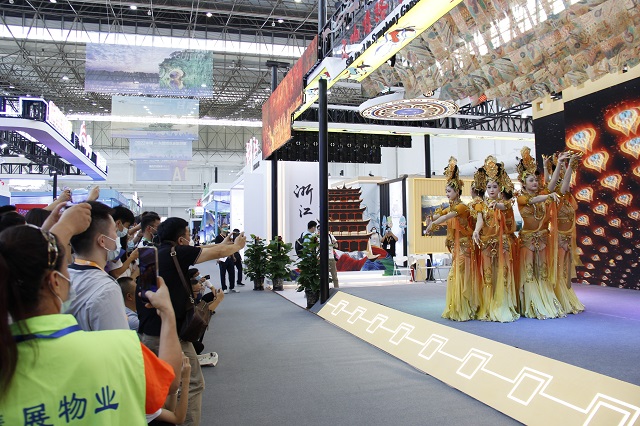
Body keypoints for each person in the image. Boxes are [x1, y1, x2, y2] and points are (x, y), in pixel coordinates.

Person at [0, 204, 183, 425]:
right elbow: (169, 382)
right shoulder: (117, 347)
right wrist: (167, 312)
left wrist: (64, 227)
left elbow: (23, 264)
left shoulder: (9, 357)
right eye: (65, 269)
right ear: (55, 282)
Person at [137, 217, 246, 426]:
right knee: (193, 383)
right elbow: (214, 252)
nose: (189, 239)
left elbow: (203, 248)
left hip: (148, 332)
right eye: (187, 234)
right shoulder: (177, 252)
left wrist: (225, 244)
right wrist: (236, 246)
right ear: (180, 240)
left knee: (160, 388)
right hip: (170, 335)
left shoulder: (149, 254)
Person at [515, 147, 566, 319]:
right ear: (524, 183)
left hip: (543, 238)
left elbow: (552, 184)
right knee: (529, 271)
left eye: (536, 180)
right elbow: (533, 200)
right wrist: (548, 197)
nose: (535, 182)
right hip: (527, 240)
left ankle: (546, 301)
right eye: (531, 180)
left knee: (542, 271)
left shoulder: (543, 193)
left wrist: (559, 164)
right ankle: (531, 304)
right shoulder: (521, 198)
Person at [425, 157, 476, 321]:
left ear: (457, 192)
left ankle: (463, 308)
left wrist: (433, 224)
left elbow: (446, 216)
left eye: (449, 192)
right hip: (456, 247)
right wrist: (430, 220)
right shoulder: (451, 206)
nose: (447, 194)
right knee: (455, 275)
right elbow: (440, 214)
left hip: (465, 247)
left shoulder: (461, 207)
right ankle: (457, 307)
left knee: (458, 275)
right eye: (446, 191)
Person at [67, 201, 130, 331]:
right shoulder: (107, 289)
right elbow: (117, 340)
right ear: (102, 241)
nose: (116, 236)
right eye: (114, 231)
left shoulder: (63, 277)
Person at [471, 156, 520, 322]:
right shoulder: (481, 204)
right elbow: (480, 219)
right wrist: (476, 231)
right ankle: (488, 306)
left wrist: (497, 205)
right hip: (486, 243)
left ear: (500, 187)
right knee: (488, 276)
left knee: (502, 274)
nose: (491, 190)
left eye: (495, 186)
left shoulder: (506, 203)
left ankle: (502, 305)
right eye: (489, 187)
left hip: (502, 244)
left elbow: (503, 207)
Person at [547, 152, 586, 314]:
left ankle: (565, 296)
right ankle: (559, 297)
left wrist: (566, 165)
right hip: (558, 239)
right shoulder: (557, 197)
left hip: (567, 238)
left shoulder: (568, 199)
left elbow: (566, 185)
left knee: (565, 269)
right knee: (560, 268)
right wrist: (568, 166)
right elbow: (562, 185)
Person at [106, 206, 139, 279]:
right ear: (118, 223)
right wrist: (131, 257)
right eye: (128, 226)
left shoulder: (117, 241)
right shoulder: (111, 244)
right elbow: (116, 273)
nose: (127, 230)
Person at [215, 229, 236, 293]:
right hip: (222, 258)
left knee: (232, 273)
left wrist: (233, 256)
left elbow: (231, 248)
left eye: (226, 226)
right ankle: (224, 288)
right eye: (224, 226)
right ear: (221, 229)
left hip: (229, 258)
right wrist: (217, 257)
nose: (225, 228)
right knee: (223, 274)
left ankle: (232, 287)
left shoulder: (228, 237)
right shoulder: (218, 237)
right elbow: (216, 248)